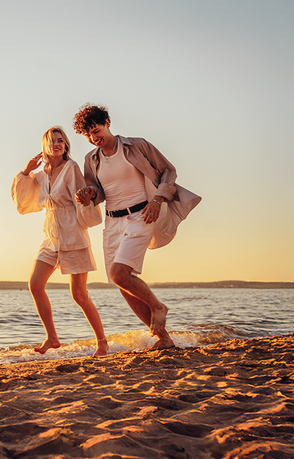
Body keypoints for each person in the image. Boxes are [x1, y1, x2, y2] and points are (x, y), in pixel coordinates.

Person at [72, 103, 201, 351]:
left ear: (107, 122)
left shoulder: (136, 145)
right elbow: (98, 192)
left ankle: (158, 306)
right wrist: (88, 194)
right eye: (87, 135)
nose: (93, 138)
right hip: (112, 222)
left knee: (120, 274)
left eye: (96, 130)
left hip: (142, 215)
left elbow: (168, 171)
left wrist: (157, 200)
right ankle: (164, 339)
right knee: (122, 284)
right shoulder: (91, 159)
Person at [12, 126, 108, 357]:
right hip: (51, 236)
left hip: (72, 233)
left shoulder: (72, 167)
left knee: (79, 295)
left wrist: (85, 197)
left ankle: (102, 343)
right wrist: (26, 171)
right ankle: (52, 338)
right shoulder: (42, 174)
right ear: (45, 145)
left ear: (65, 145)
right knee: (35, 285)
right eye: (53, 141)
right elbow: (23, 198)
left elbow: (83, 195)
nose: (57, 144)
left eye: (61, 140)